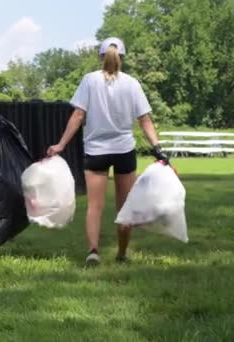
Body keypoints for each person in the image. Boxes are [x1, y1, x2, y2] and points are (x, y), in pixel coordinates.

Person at [46, 37, 169, 266]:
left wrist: (61, 144)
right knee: (125, 208)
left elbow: (78, 116)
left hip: (96, 152)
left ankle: (93, 251)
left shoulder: (89, 81)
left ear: (100, 57)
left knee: (95, 206)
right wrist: (157, 148)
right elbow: (145, 120)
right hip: (124, 151)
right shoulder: (132, 84)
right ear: (122, 58)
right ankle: (122, 254)